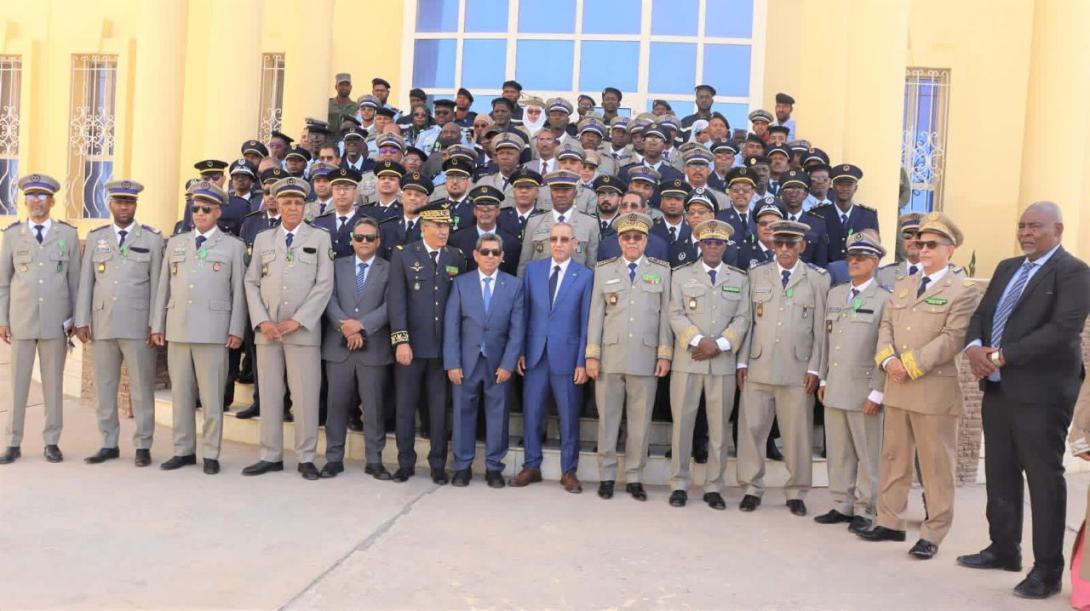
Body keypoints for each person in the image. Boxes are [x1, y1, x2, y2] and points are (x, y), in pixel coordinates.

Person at [957, 201, 1090, 598]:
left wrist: (1001, 355)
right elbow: (982, 314)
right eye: (1022, 226)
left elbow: (1062, 330)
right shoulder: (1006, 268)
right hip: (998, 387)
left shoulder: (1074, 272)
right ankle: (1003, 548)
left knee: (1043, 480)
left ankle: (1047, 571)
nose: (1026, 233)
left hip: (1042, 394)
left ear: (1058, 229)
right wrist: (975, 348)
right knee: (1000, 470)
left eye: (1036, 226)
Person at [859, 212, 981, 560]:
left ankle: (933, 533)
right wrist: (888, 361)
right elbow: (886, 326)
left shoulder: (962, 291)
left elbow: (952, 338)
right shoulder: (904, 285)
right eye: (918, 243)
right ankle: (890, 521)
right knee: (894, 458)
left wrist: (908, 365)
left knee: (935, 466)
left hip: (932, 390)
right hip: (897, 386)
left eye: (931, 244)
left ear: (950, 250)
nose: (922, 249)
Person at [241, 177, 334, 480]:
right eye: (287, 202)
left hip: (302, 331)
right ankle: (270, 455)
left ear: (305, 206)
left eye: (298, 202)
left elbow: (324, 284)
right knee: (269, 395)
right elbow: (251, 282)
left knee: (305, 396)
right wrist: (262, 321)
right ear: (277, 205)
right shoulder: (264, 239)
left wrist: (298, 320)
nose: (293, 207)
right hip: (268, 331)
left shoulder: (319, 238)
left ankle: (306, 457)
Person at [151, 181, 246, 474]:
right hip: (179, 327)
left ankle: (211, 454)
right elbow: (164, 287)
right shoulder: (176, 243)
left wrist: (236, 329)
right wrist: (158, 324)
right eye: (196, 208)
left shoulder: (233, 246)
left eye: (206, 208)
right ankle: (183, 450)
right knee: (181, 395)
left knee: (212, 398)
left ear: (218, 212)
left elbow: (239, 293)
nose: (200, 213)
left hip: (213, 331)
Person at [736, 219, 830, 515]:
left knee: (797, 435)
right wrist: (742, 360)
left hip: (797, 370)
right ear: (773, 245)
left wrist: (815, 369)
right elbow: (747, 321)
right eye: (780, 243)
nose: (785, 249)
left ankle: (796, 491)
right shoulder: (756, 274)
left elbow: (820, 330)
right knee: (751, 430)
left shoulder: (817, 279)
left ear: (802, 246)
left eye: (791, 244)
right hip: (758, 364)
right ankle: (751, 488)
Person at [74, 180, 164, 467]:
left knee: (141, 389)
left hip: (138, 326)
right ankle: (108, 443)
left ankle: (143, 445)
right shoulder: (97, 237)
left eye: (129, 202)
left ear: (135, 205)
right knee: (105, 388)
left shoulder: (151, 239)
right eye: (119, 201)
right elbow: (86, 282)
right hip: (102, 324)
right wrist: (82, 320)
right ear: (110, 204)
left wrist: (156, 324)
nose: (124, 207)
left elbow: (158, 286)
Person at [585, 212, 672, 501]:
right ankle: (607, 475)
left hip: (645, 357)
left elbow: (665, 316)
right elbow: (596, 316)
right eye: (627, 237)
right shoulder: (604, 270)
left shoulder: (661, 271)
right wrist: (592, 355)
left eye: (638, 237)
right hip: (610, 356)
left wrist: (664, 353)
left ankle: (634, 476)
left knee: (640, 422)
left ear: (646, 240)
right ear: (619, 241)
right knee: (608, 421)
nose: (632, 241)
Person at [666, 219, 750, 510]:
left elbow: (743, 318)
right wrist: (699, 340)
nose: (713, 247)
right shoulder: (681, 275)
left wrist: (720, 344)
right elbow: (675, 313)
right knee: (682, 427)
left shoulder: (739, 278)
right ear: (700, 244)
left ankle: (714, 486)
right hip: (688, 360)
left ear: (726, 246)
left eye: (719, 242)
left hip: (722, 363)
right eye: (708, 242)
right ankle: (679, 484)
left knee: (718, 430)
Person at [0, 174, 80, 465]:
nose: (36, 201)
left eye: (42, 196)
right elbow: (3, 282)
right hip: (21, 320)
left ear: (52, 201)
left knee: (53, 385)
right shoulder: (12, 235)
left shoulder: (67, 235)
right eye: (31, 196)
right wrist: (2, 319)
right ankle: (13, 442)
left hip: (55, 322)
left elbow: (75, 281)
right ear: (25, 201)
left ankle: (51, 441)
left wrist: (76, 318)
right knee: (17, 385)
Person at [814, 232, 890, 534]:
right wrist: (823, 377)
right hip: (835, 385)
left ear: (876, 262)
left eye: (862, 257)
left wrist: (878, 391)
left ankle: (865, 508)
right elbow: (826, 340)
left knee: (867, 453)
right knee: (839, 451)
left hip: (864, 389)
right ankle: (841, 504)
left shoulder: (884, 299)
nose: (854, 262)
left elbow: (886, 349)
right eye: (851, 257)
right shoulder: (836, 294)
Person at [387, 202, 466, 484]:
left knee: (438, 410)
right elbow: (396, 301)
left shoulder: (456, 256)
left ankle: (437, 465)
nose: (444, 231)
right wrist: (401, 340)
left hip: (443, 349)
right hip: (412, 346)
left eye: (447, 226)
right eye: (438, 226)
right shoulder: (404, 254)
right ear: (424, 227)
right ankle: (405, 463)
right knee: (405, 408)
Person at [511, 222, 593, 493]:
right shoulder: (533, 271)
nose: (558, 244)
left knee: (569, 416)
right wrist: (520, 350)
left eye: (564, 239)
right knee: (532, 413)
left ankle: (569, 470)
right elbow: (523, 314)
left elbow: (585, 322)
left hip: (567, 357)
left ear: (575, 243)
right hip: (535, 355)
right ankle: (531, 465)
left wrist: (581, 361)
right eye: (554, 239)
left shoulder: (585, 276)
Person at [444, 233, 525, 488]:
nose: (490, 256)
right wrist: (452, 362)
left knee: (498, 416)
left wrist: (508, 364)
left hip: (498, 364)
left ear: (502, 257)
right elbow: (451, 325)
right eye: (485, 252)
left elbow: (517, 329)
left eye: (495, 252)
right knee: (462, 415)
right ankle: (462, 467)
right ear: (476, 255)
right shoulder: (461, 283)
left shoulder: (514, 285)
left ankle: (494, 467)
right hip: (466, 362)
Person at [321, 216, 394, 480]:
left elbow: (390, 305)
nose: (364, 241)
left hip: (372, 348)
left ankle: (374, 460)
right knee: (336, 406)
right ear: (352, 240)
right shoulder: (335, 266)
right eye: (359, 237)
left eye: (370, 238)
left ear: (378, 241)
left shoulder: (389, 269)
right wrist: (346, 326)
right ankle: (333, 458)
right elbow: (328, 298)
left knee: (373, 408)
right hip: (339, 347)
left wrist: (361, 326)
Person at [517, 170, 599, 275]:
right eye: (556, 189)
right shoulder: (534, 222)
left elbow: (592, 265)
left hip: (575, 282)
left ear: (575, 193)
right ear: (550, 193)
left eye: (566, 190)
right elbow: (524, 263)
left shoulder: (590, 224)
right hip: (540, 281)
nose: (561, 194)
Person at [811, 164, 878, 262]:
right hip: (825, 270)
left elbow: (873, 250)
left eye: (849, 185)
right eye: (840, 184)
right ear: (833, 186)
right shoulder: (818, 214)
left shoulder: (868, 217)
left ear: (856, 188)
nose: (844, 188)